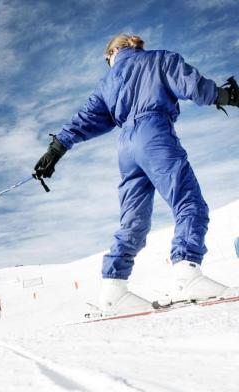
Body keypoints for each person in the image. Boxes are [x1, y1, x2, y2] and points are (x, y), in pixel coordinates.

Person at [34, 34, 239, 315]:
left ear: (115, 51)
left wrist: (56, 149)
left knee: (134, 219)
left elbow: (85, 118)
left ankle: (113, 290)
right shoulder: (159, 59)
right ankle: (187, 274)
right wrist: (225, 95)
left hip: (126, 148)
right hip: (154, 133)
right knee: (188, 201)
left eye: (107, 59)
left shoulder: (107, 83)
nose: (109, 63)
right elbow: (191, 85)